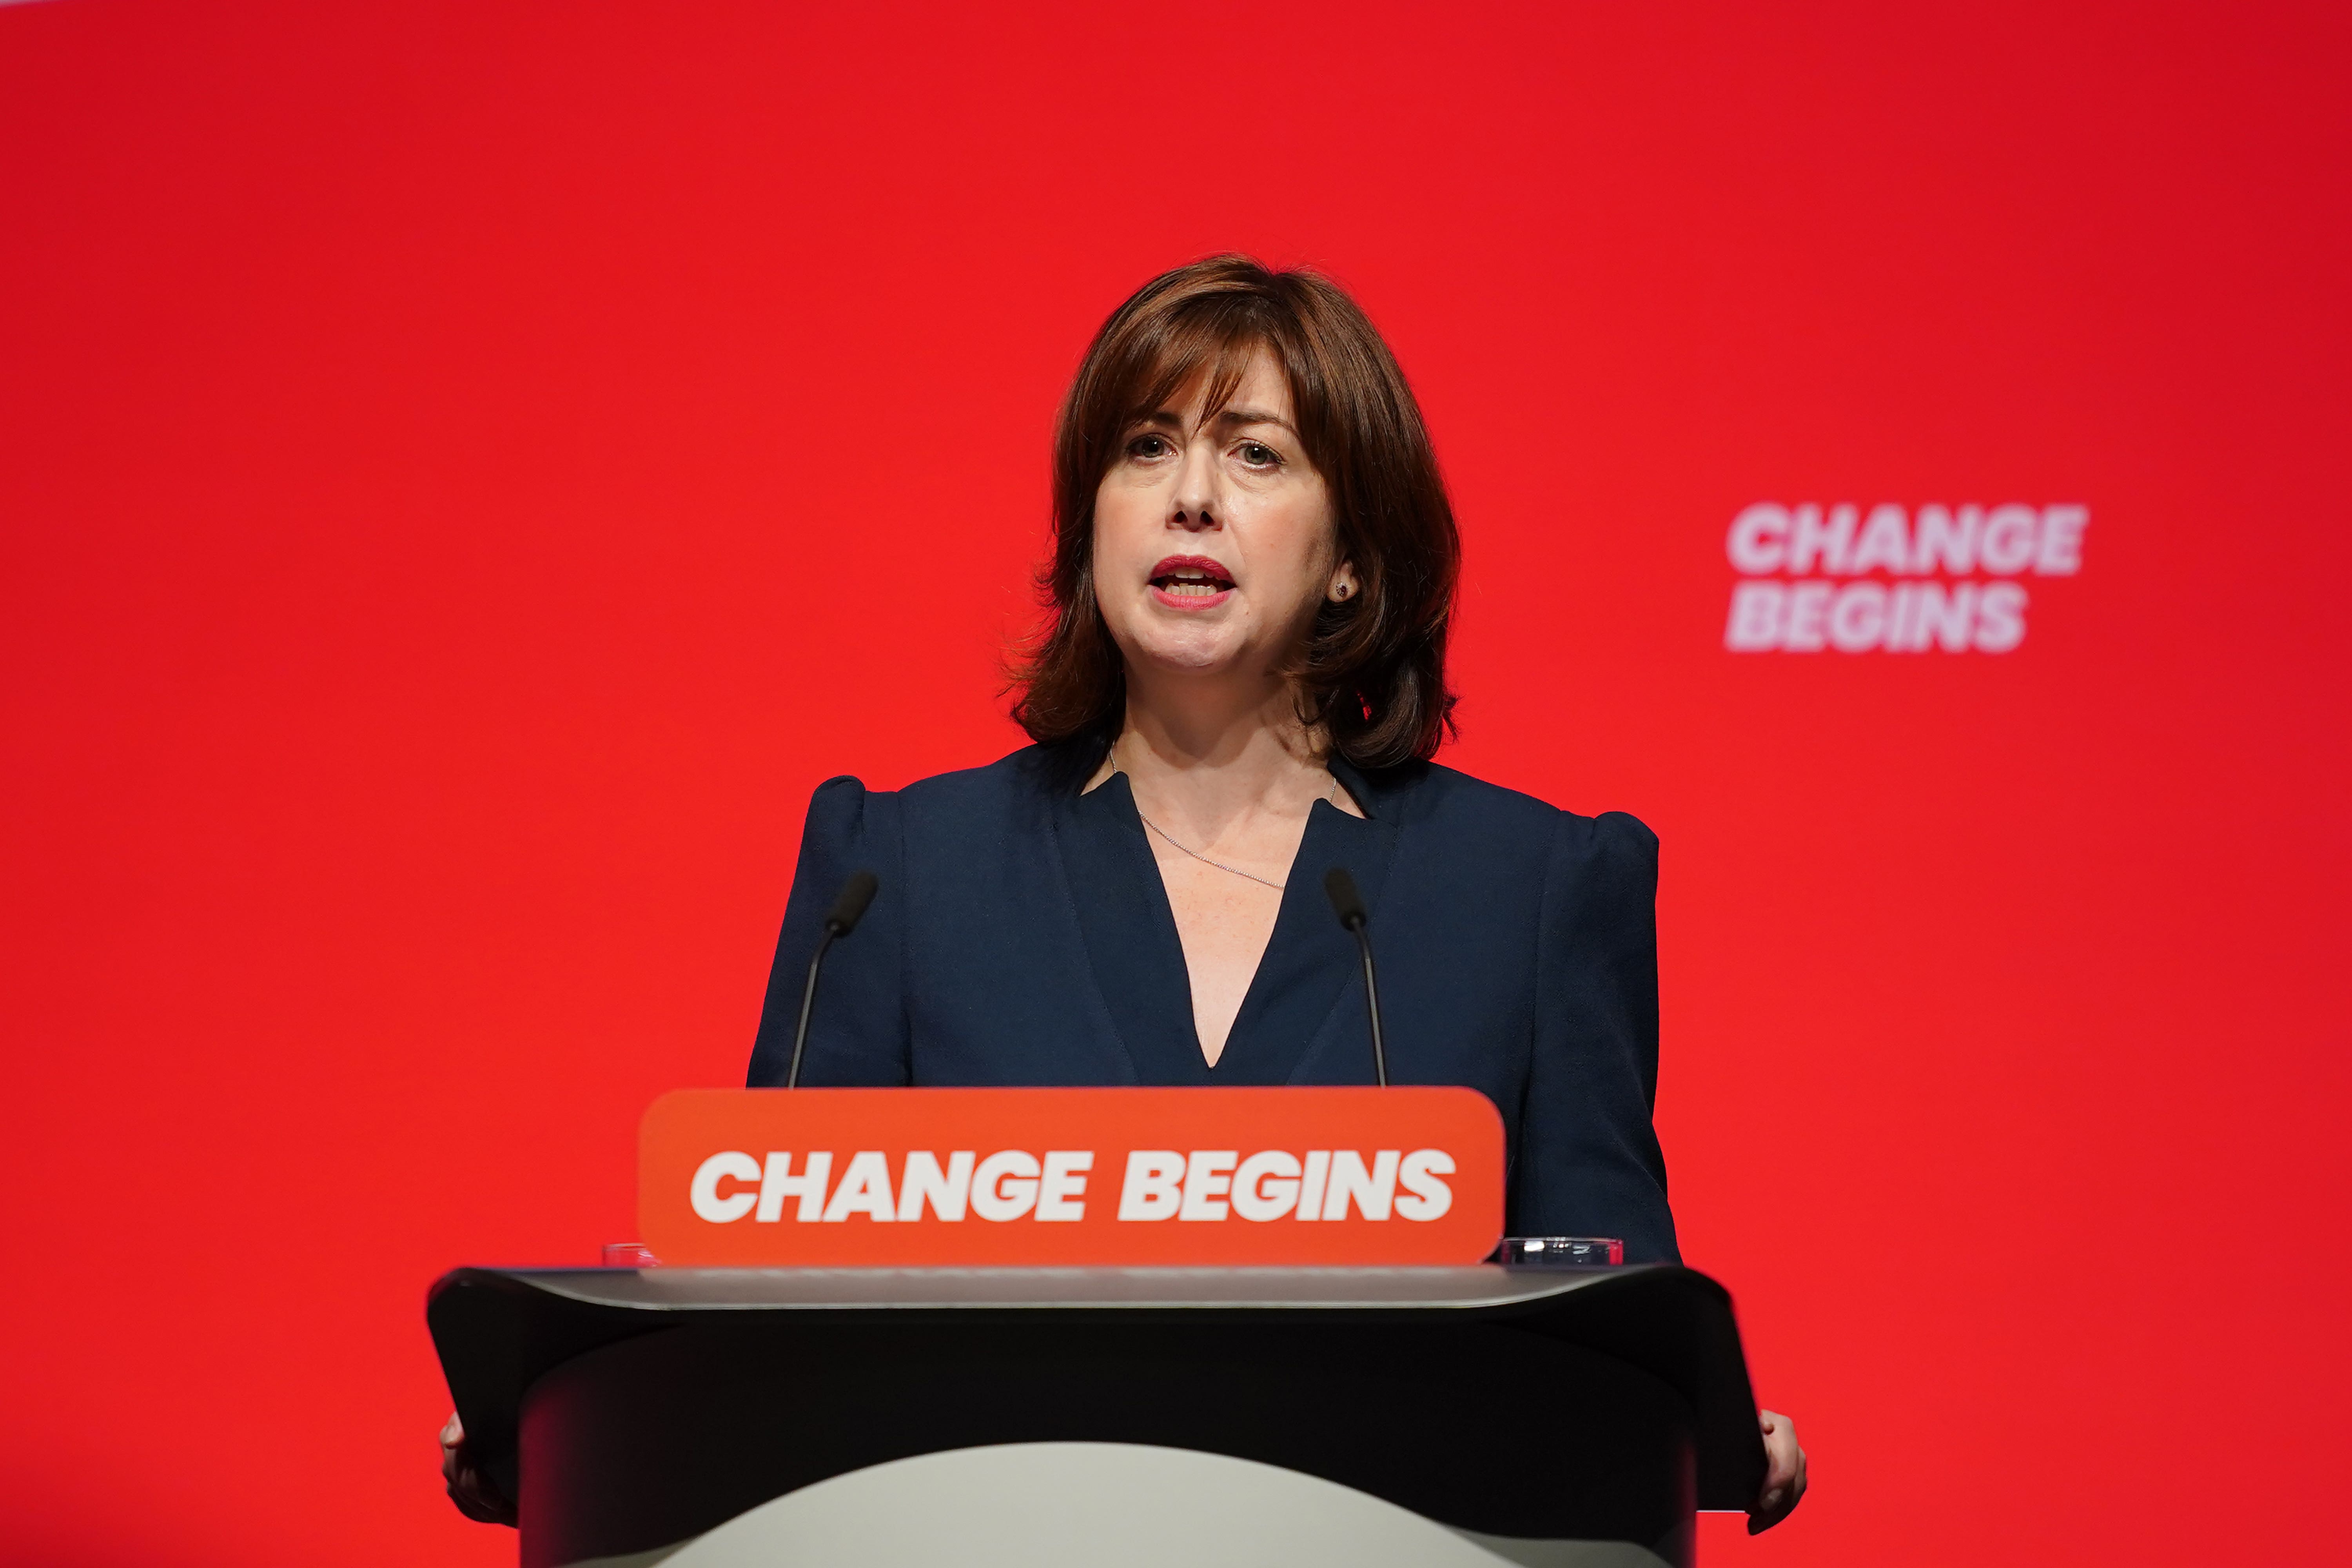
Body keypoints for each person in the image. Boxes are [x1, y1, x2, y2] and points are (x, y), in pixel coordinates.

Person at [443, 256, 1806, 1532]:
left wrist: (1689, 1419)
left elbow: (1615, 1301)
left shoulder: (1535, 888)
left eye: (1255, 454)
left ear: (1351, 555)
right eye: (1145, 449)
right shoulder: (902, 868)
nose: (1188, 497)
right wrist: (583, 1408)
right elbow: (765, 1282)